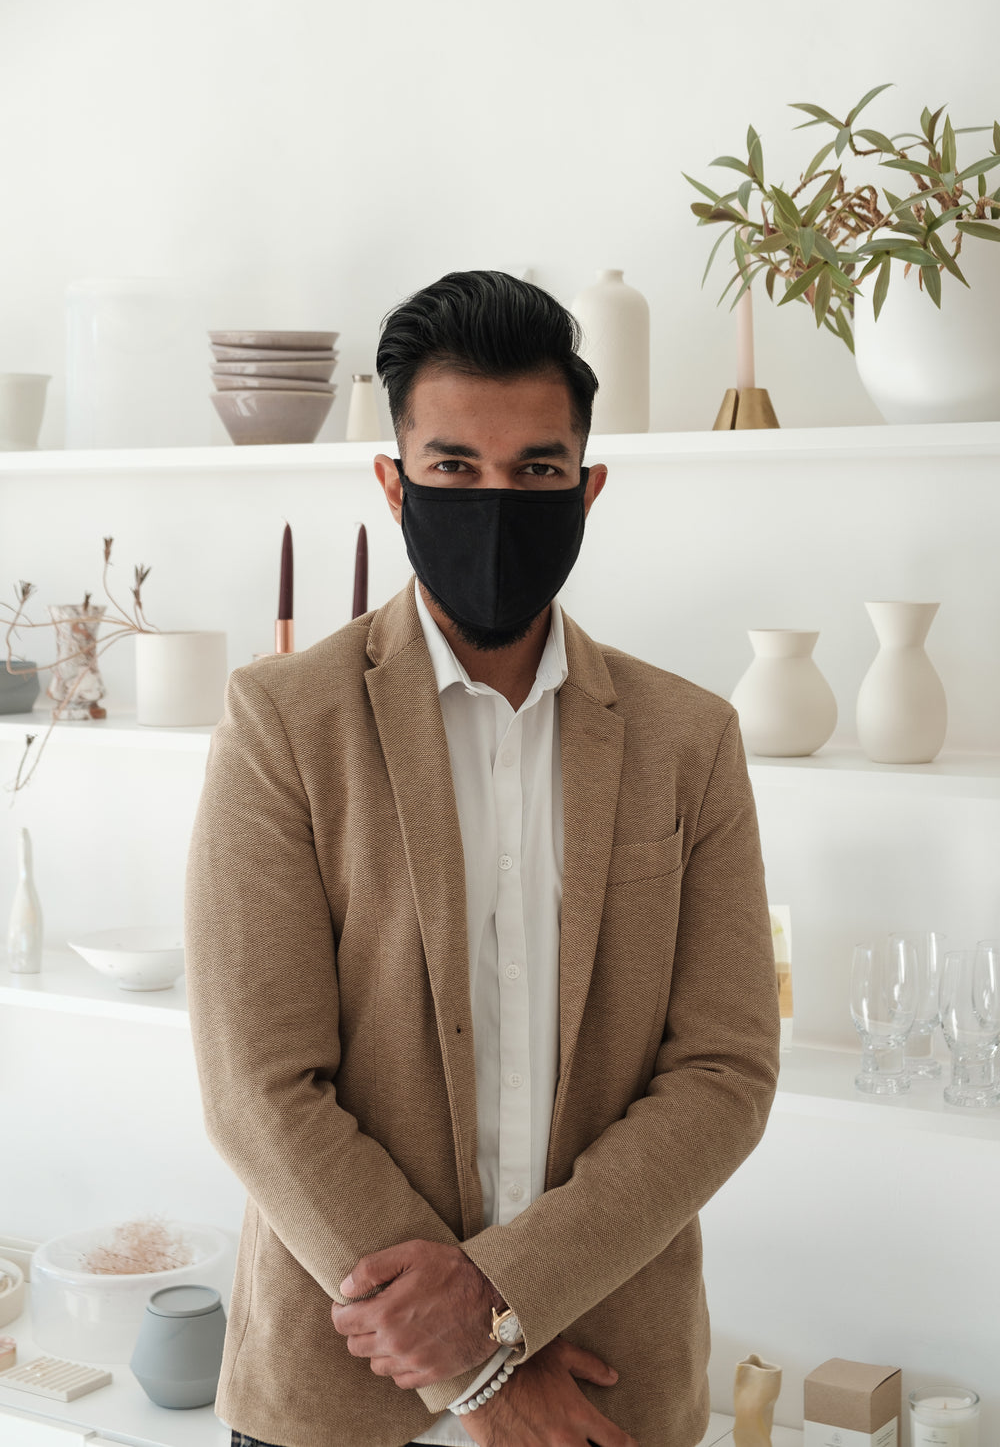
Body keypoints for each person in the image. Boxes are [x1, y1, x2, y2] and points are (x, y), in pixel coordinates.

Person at [184, 270, 780, 1447]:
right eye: (453, 468)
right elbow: (260, 1091)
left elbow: (723, 1071)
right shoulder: (281, 724)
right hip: (335, 1399)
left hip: (607, 1391)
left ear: (587, 487)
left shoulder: (688, 741)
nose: (493, 501)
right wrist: (474, 1373)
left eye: (535, 470)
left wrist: (499, 1302)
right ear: (392, 482)